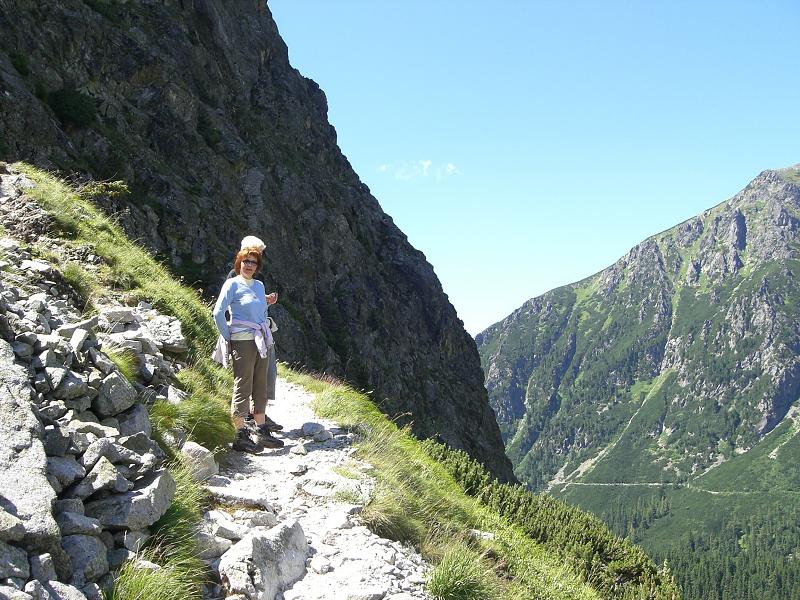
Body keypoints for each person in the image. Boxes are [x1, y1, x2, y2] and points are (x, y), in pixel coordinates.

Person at [212, 238, 284, 453]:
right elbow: (218, 312)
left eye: (253, 262)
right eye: (245, 261)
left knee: (260, 385)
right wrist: (229, 337)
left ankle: (261, 431)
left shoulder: (259, 285)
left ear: (257, 265)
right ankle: (240, 435)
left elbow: (260, 311)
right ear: (239, 263)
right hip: (242, 340)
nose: (249, 265)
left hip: (260, 339)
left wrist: (266, 302)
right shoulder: (232, 284)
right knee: (243, 386)